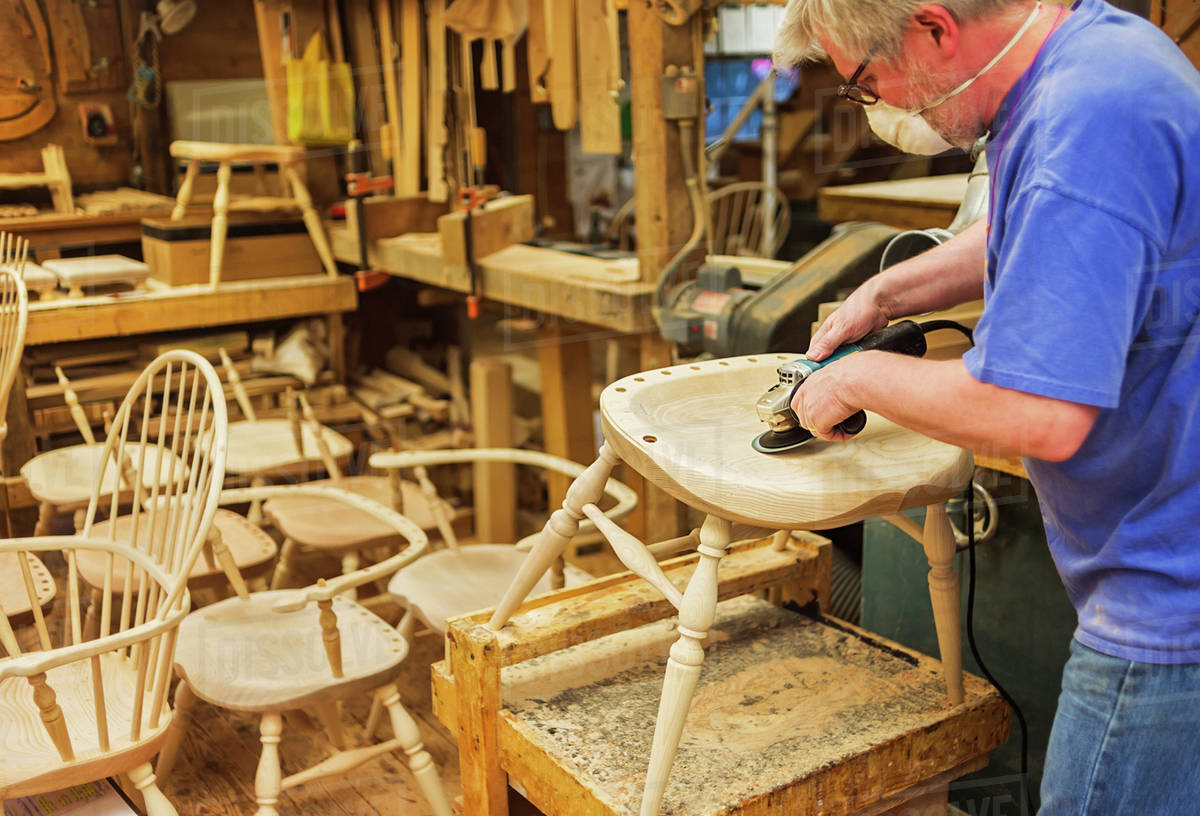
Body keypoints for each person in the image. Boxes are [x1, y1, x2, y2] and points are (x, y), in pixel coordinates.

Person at [773, 0, 1200, 813]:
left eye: (867, 82)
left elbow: (1036, 411)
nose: (882, 107)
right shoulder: (1093, 57)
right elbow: (1029, 222)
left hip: (1168, 602)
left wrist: (854, 381)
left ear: (933, 29)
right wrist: (888, 292)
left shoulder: (1085, 116)